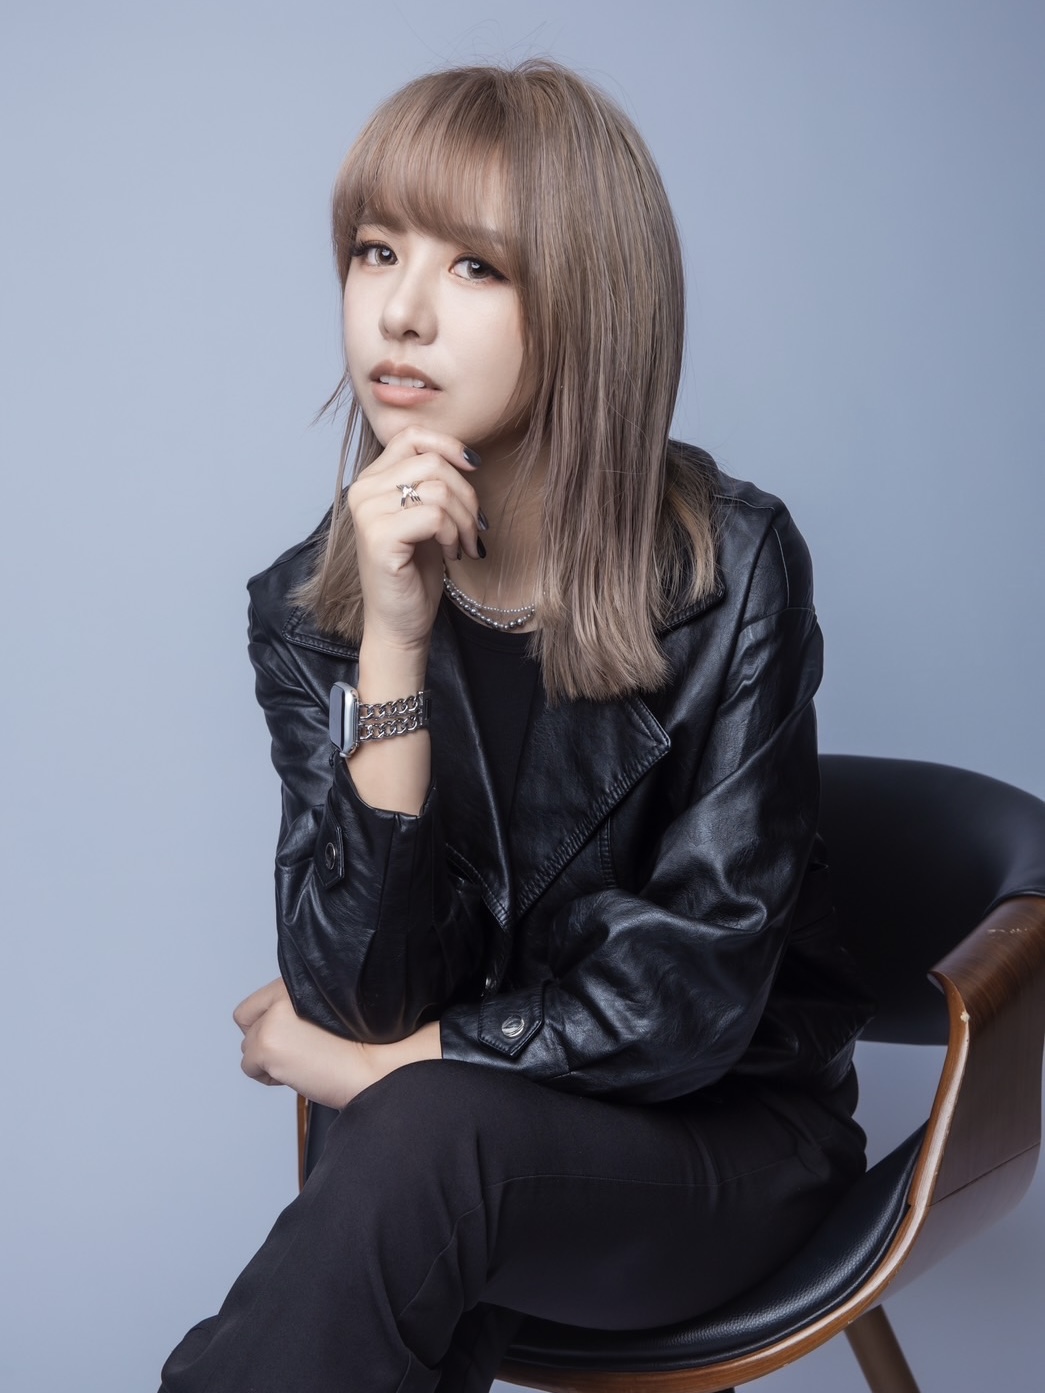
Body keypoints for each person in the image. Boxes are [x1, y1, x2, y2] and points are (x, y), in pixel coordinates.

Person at [160, 59, 873, 1393]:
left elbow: (685, 1002)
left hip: (721, 1149)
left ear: (588, 304)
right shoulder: (306, 611)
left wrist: (374, 1069)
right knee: (420, 1151)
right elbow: (363, 990)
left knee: (421, 1140)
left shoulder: (731, 569)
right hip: (454, 1156)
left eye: (475, 266)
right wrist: (392, 638)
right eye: (377, 251)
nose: (401, 310)